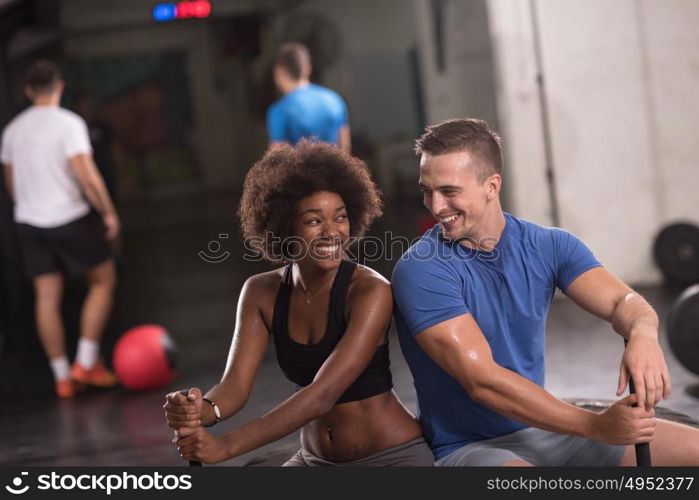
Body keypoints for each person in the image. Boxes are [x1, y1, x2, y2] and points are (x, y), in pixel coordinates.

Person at [391, 117, 699, 466]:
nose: (434, 207)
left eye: (448, 191)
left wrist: (643, 333)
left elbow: (622, 301)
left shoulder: (550, 245)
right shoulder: (421, 269)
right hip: (469, 448)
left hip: (548, 432)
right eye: (426, 191)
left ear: (491, 186)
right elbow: (483, 382)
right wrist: (595, 425)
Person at [164, 141, 432, 466]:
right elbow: (234, 385)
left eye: (341, 217)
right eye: (315, 221)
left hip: (391, 457)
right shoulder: (260, 292)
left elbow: (322, 395)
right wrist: (202, 409)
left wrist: (227, 447)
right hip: (314, 461)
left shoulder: (370, 291)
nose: (332, 232)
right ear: (285, 225)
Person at [1, 60, 120, 399]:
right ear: (59, 87)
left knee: (46, 296)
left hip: (29, 223)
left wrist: (30, 208)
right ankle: (85, 361)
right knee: (103, 279)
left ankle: (62, 377)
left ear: (28, 91)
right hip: (70, 218)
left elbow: (11, 182)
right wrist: (108, 212)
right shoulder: (69, 123)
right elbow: (86, 174)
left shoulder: (11, 131)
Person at [267, 43, 351, 152]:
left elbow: (276, 157)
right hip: (333, 168)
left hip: (297, 169)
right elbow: (345, 149)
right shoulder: (335, 100)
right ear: (308, 69)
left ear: (278, 72)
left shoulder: (279, 111)